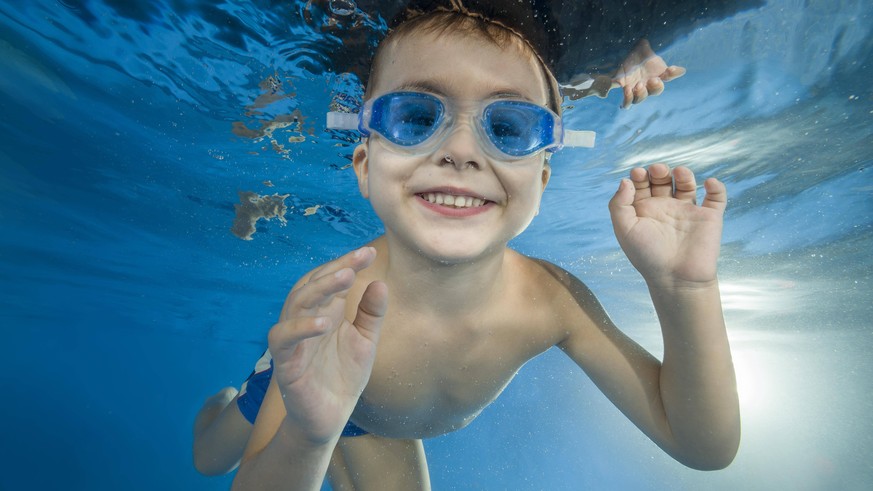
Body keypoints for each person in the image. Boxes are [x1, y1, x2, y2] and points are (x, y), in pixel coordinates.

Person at [194, 5, 740, 490]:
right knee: (211, 458)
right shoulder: (332, 308)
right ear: (363, 165)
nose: (459, 150)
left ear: (543, 180)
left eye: (508, 126)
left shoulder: (551, 300)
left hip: (375, 423)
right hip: (315, 393)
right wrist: (309, 436)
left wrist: (684, 288)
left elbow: (700, 447)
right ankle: (231, 402)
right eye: (415, 117)